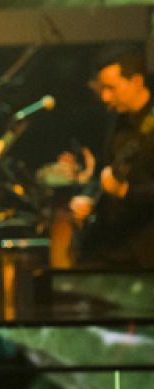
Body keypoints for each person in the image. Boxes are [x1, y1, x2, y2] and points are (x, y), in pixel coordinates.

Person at [71, 46, 154, 268]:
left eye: (112, 88)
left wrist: (126, 191)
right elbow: (103, 169)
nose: (106, 97)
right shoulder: (116, 121)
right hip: (113, 243)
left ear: (136, 81)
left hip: (146, 249)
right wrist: (87, 197)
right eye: (103, 89)